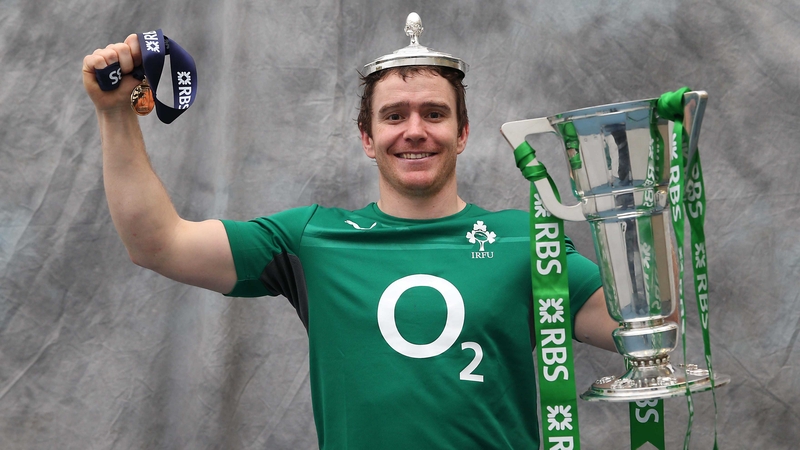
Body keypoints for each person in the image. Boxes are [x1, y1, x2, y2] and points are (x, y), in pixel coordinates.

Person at [82, 19, 619, 450]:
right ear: (367, 137)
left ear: (462, 134)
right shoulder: (311, 239)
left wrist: (641, 201)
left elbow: (643, 327)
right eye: (394, 116)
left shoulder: (524, 241)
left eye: (434, 114)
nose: (414, 130)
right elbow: (156, 243)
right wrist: (114, 114)